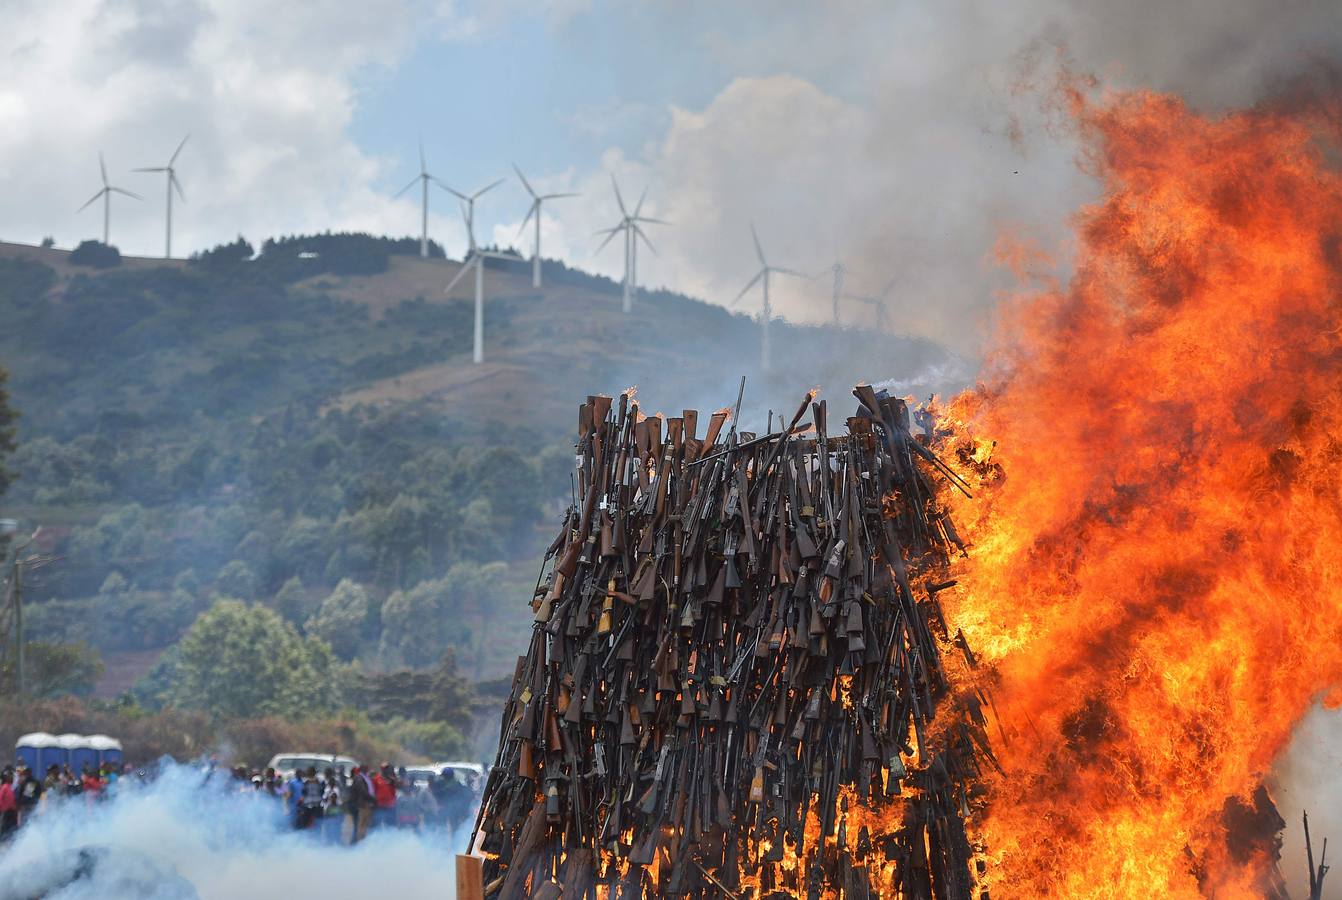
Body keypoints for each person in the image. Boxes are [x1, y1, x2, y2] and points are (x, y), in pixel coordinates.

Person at [347, 765, 375, 844]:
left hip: (364, 804)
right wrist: (372, 799)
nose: (367, 770)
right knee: (360, 824)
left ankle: (360, 841)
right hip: (361, 804)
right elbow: (362, 791)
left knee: (363, 824)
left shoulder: (365, 778)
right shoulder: (359, 778)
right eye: (366, 769)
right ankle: (358, 843)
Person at [372, 763, 398, 831]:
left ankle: (390, 836)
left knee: (391, 825)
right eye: (385, 769)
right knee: (377, 824)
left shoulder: (392, 779)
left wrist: (393, 781)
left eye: (388, 769)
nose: (387, 770)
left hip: (391, 806)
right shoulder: (376, 779)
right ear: (382, 770)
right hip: (380, 806)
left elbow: (397, 787)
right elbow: (373, 791)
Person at [0, 767, 17, 841]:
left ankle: (10, 840)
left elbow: (12, 799)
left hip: (12, 811)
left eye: (12, 777)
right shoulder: (4, 787)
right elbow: (0, 798)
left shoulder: (10, 787)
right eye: (10, 777)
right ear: (6, 778)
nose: (12, 778)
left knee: (12, 826)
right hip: (6, 811)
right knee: (4, 827)